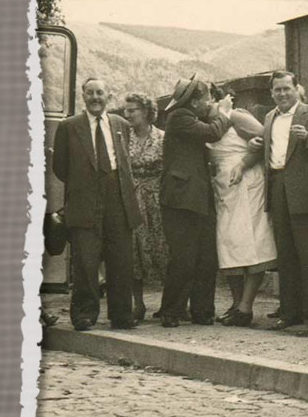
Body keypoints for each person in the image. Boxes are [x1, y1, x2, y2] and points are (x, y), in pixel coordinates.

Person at [243, 70, 308, 330]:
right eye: (277, 90)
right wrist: (254, 145)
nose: (282, 94)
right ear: (271, 92)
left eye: (286, 88)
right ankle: (290, 312)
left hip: (306, 192)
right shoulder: (270, 117)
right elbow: (270, 151)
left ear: (297, 89)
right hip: (278, 188)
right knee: (285, 254)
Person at [52, 78, 142, 330]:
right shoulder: (69, 126)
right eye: (90, 93)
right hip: (84, 198)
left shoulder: (120, 124)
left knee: (121, 258)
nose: (95, 97)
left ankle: (121, 315)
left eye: (100, 93)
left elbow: (124, 163)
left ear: (108, 96)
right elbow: (60, 167)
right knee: (86, 260)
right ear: (83, 96)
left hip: (117, 196)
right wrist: (83, 184)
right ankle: (84, 315)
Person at [157, 76, 231, 328]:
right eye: (206, 99)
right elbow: (213, 132)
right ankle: (171, 311)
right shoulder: (179, 117)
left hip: (196, 197)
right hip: (181, 199)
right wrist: (225, 111)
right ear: (196, 100)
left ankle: (202, 311)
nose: (209, 103)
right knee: (184, 257)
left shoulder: (185, 117)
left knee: (205, 258)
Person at [208, 88, 277, 327]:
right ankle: (237, 305)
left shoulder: (236, 116)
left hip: (248, 183)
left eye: (208, 97)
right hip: (224, 187)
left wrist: (247, 159)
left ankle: (246, 306)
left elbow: (268, 137)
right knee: (230, 244)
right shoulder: (208, 123)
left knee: (253, 243)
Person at [123, 92, 168, 323]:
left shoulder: (162, 137)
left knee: (163, 248)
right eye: (126, 110)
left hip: (157, 201)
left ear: (147, 111)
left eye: (133, 110)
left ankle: (167, 303)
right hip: (132, 200)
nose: (127, 114)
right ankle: (137, 303)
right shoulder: (122, 138)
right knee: (133, 251)